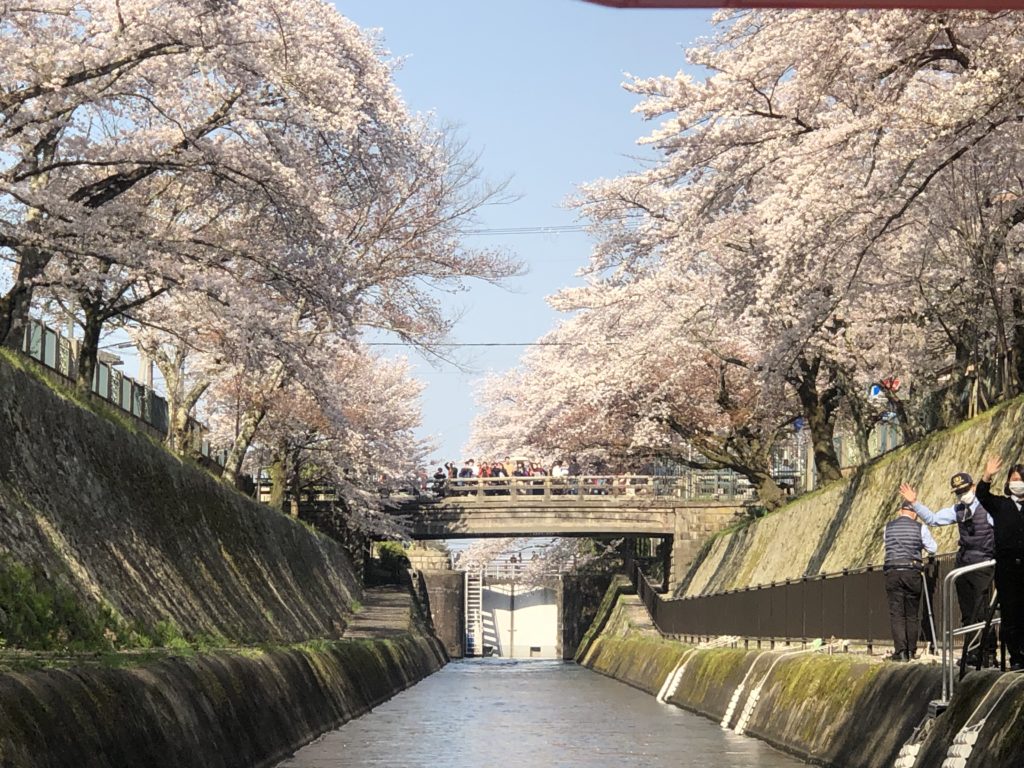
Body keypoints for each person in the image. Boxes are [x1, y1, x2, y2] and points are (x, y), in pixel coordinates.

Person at [900, 472, 996, 662]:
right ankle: (972, 652)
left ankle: (988, 652)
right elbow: (934, 520)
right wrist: (915, 503)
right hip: (964, 563)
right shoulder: (958, 509)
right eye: (958, 492)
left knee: (982, 610)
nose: (962, 494)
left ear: (973, 487)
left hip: (983, 562)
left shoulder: (988, 507)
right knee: (967, 612)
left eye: (965, 490)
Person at [976, 457, 1024, 670]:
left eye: (1021, 479)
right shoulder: (1001, 505)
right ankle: (1015, 657)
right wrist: (987, 475)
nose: (1018, 483)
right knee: (1010, 612)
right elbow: (982, 495)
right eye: (1014, 479)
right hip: (1007, 567)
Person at [883, 499, 938, 661]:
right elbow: (933, 548)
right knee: (912, 614)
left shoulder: (888, 527)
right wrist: (929, 557)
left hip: (892, 571)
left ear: (900, 512)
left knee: (897, 613)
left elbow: (887, 545)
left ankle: (900, 652)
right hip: (912, 572)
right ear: (915, 514)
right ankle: (911, 650)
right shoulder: (920, 528)